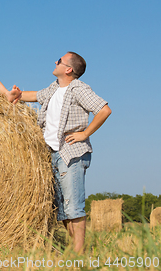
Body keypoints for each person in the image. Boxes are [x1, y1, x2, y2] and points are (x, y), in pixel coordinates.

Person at [20, 52, 111, 253]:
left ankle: (78, 255)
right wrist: (15, 95)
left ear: (68, 69)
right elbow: (35, 95)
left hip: (71, 153)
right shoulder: (54, 88)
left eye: (59, 61)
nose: (55, 62)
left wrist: (84, 133)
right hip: (52, 153)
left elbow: (104, 110)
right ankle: (75, 250)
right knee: (62, 210)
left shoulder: (78, 89)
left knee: (73, 206)